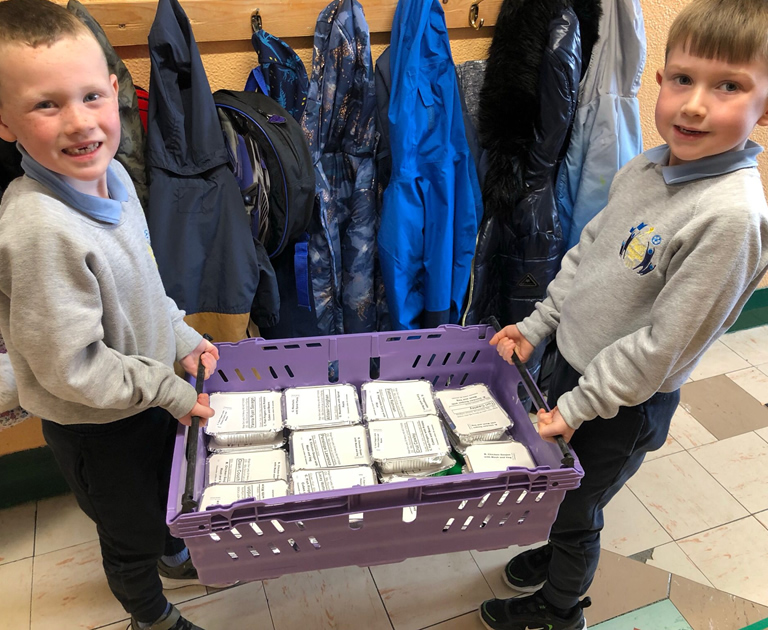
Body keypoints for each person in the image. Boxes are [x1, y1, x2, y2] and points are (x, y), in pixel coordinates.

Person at [481, 0, 768, 628]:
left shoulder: (732, 218)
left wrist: (578, 410)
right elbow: (587, 256)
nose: (695, 105)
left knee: (580, 508)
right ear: (660, 83)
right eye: (684, 79)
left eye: (728, 87)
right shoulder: (646, 166)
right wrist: (536, 330)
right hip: (572, 363)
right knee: (557, 488)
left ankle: (559, 609)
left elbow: (662, 347)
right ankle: (551, 540)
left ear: (764, 109)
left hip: (622, 404)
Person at [0, 1, 219, 628]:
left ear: (117, 91)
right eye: (47, 104)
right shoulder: (39, 228)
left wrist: (181, 336)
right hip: (100, 429)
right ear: (6, 120)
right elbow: (72, 367)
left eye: (92, 95)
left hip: (147, 398)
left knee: (164, 496)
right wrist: (164, 386)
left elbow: (146, 290)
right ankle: (151, 615)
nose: (79, 123)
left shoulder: (115, 178)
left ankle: (173, 548)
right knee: (129, 535)